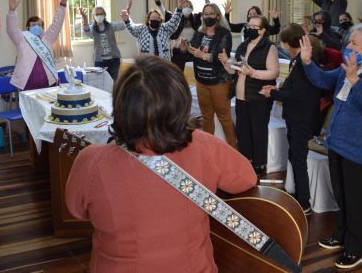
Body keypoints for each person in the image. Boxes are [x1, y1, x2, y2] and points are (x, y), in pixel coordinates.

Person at [65, 55, 256, 272]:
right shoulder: (204, 145)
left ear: (120, 105)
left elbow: (77, 210)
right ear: (181, 105)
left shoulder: (91, 161)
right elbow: (247, 178)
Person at [300, 23, 362, 269]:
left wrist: (355, 81)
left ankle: (357, 247)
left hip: (360, 149)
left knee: (356, 201)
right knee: (341, 196)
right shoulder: (347, 68)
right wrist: (308, 62)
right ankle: (342, 234)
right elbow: (321, 79)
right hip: (338, 143)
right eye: (349, 42)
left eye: (354, 43)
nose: (348, 46)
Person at [259, 24, 321, 214]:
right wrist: (276, 90)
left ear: (288, 44)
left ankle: (305, 202)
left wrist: (274, 93)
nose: (282, 47)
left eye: (283, 43)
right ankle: (298, 193)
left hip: (302, 117)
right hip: (296, 116)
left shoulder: (303, 63)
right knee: (294, 156)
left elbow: (298, 95)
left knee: (299, 158)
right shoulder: (298, 61)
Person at [219, 16, 279, 175]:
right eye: (248, 25)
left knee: (258, 131)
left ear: (262, 30)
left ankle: (260, 165)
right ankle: (247, 161)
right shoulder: (244, 45)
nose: (249, 28)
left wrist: (253, 72)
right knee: (243, 131)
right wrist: (226, 62)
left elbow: (274, 72)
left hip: (258, 97)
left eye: (254, 26)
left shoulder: (269, 47)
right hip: (241, 96)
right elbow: (234, 70)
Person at [183, 3, 236, 148]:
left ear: (217, 16)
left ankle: (233, 148)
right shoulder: (199, 32)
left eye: (211, 13)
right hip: (201, 81)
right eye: (205, 13)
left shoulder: (224, 33)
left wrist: (203, 55)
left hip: (219, 81)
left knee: (224, 117)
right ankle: (208, 149)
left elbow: (221, 55)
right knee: (206, 116)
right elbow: (192, 52)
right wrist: (184, 48)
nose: (208, 16)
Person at [6, 0, 71, 90]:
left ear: (42, 28)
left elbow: (56, 24)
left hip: (49, 83)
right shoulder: (21, 38)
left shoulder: (48, 39)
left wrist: (62, 5)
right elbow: (12, 28)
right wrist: (11, 12)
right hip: (28, 85)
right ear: (28, 27)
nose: (36, 27)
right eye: (33, 25)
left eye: (39, 25)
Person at [154, 0, 202, 71]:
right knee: (176, 71)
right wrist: (158, 1)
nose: (187, 8)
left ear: (192, 8)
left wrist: (207, 0)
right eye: (184, 6)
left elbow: (206, 15)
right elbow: (164, 12)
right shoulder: (175, 18)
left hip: (193, 50)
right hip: (178, 50)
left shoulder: (196, 18)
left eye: (188, 6)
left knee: (196, 71)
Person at [80, 5, 125, 80]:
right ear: (94, 16)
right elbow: (87, 32)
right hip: (100, 61)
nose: (99, 16)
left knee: (113, 81)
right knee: (101, 81)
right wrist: (85, 19)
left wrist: (126, 17)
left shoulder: (111, 25)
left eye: (101, 13)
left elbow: (123, 26)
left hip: (114, 60)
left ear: (104, 15)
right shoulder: (93, 28)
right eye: (97, 14)